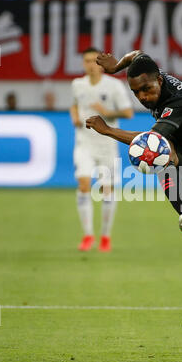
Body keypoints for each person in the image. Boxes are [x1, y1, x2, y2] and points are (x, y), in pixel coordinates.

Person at [85, 50, 182, 349]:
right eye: (136, 91)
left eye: (147, 89)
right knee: (161, 158)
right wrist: (117, 66)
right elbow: (137, 54)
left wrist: (107, 130)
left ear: (159, 80)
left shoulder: (181, 101)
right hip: (176, 149)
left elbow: (151, 141)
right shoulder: (150, 70)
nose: (142, 96)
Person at [70, 47, 133, 252]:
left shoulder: (114, 86)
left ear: (101, 64)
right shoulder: (77, 85)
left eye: (94, 61)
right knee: (83, 184)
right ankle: (88, 235)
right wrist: (74, 116)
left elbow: (128, 112)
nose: (90, 65)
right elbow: (74, 104)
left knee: (107, 190)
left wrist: (107, 112)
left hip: (106, 144)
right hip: (84, 142)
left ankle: (105, 236)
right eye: (87, 61)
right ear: (83, 64)